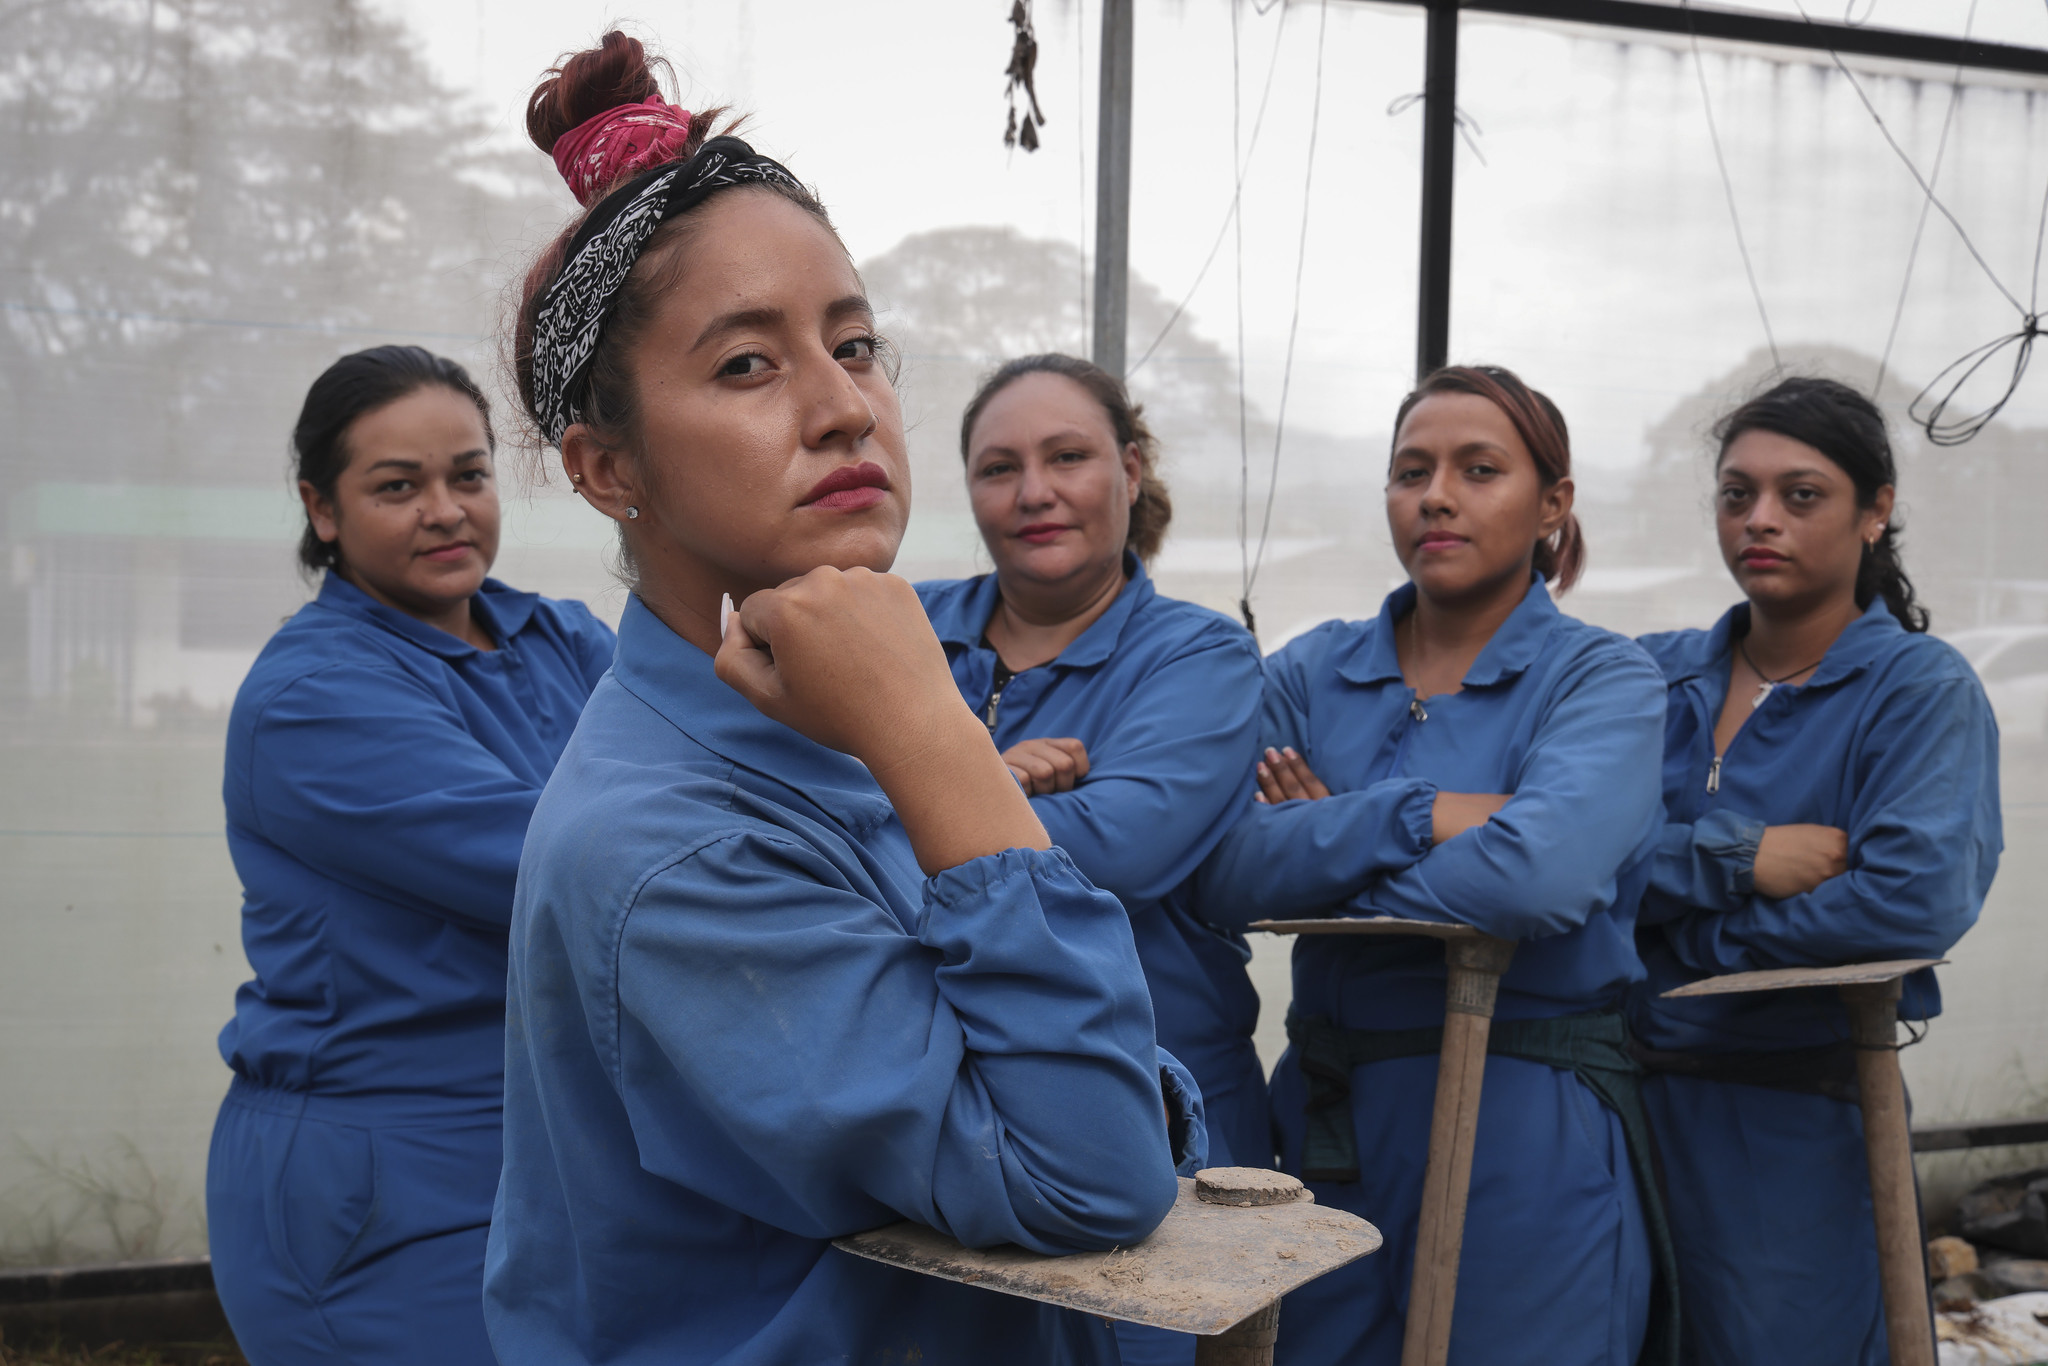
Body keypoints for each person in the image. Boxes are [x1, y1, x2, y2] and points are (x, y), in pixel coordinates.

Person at [483, 35, 1203, 1366]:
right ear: (602, 466)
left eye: (857, 344)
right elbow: (1092, 1175)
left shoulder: (814, 719)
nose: (846, 409)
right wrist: (936, 738)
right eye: (747, 365)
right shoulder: (679, 849)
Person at [1197, 364, 1673, 1366]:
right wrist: (1426, 813)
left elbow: (1533, 879)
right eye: (1409, 470)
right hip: (1330, 1123)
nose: (1436, 495)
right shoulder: (1306, 671)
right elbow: (1226, 872)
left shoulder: (1600, 679)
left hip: (1526, 1111)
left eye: (1478, 469)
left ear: (1553, 503)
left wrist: (1325, 847)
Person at [206, 345, 617, 1365]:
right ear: (323, 507)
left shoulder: (557, 637)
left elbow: (711, 753)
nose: (445, 510)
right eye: (398, 486)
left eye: (468, 475)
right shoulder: (314, 698)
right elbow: (561, 864)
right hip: (383, 1172)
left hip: (540, 1141)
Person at [1629, 376, 2001, 1366]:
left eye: (1800, 495)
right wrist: (1740, 859)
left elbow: (1905, 897)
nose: (1759, 519)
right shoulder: (1647, 679)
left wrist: (1683, 939)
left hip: (1789, 1115)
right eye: (1734, 493)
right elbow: (1564, 852)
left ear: (1874, 510)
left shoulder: (1917, 691)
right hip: (1611, 1104)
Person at [919, 355, 1263, 1366]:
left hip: (1158, 1112)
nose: (1033, 491)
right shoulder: (894, 629)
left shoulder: (1196, 657)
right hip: (941, 1114)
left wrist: (924, 786)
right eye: (997, 467)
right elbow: (785, 815)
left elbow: (1120, 846)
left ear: (1130, 466)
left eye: (1066, 456)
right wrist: (991, 776)